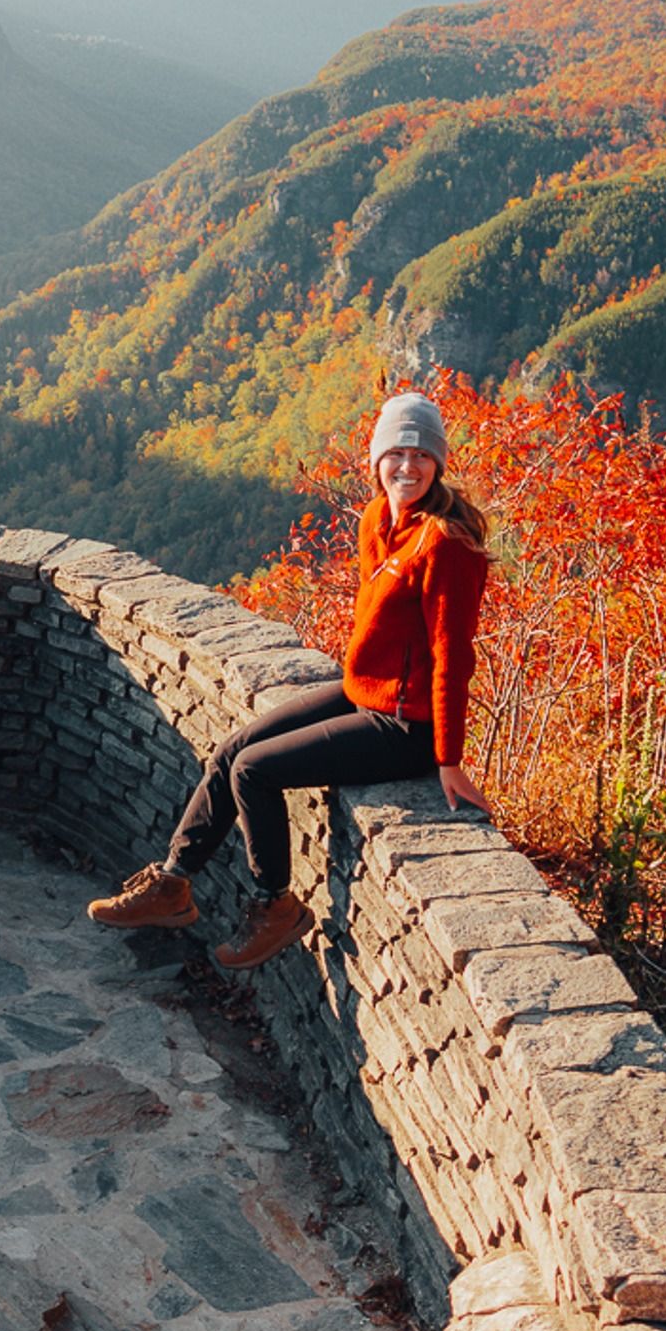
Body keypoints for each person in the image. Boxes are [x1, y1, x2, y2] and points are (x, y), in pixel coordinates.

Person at [88, 390, 492, 970]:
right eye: (396, 454)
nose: (408, 467)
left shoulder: (446, 546)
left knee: (257, 770)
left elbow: (452, 655)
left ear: (439, 464)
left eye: (422, 456)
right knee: (232, 750)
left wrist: (449, 759)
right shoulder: (379, 520)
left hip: (407, 727)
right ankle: (173, 885)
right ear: (376, 460)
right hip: (363, 693)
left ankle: (275, 905)